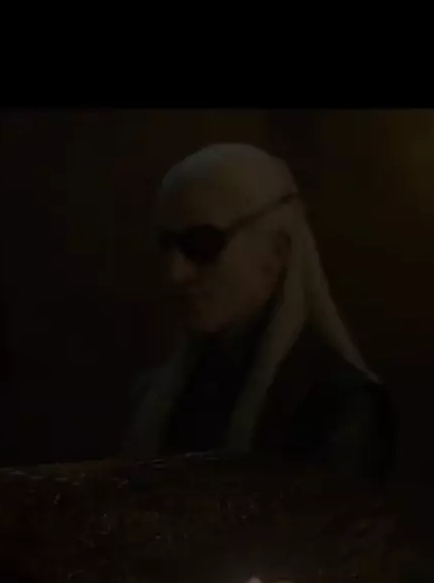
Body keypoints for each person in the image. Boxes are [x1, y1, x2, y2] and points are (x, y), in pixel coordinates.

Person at [122, 143, 394, 481]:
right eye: (167, 246)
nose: (176, 274)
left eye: (203, 244)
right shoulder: (156, 397)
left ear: (276, 252)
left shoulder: (339, 406)